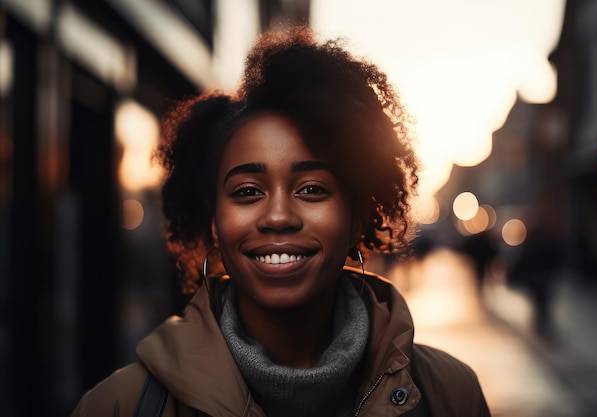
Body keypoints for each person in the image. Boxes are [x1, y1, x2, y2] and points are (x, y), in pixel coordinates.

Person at [72, 27, 490, 417]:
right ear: (214, 222)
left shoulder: (449, 395)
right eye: (247, 192)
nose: (278, 216)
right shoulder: (120, 405)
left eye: (311, 189)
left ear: (358, 215)